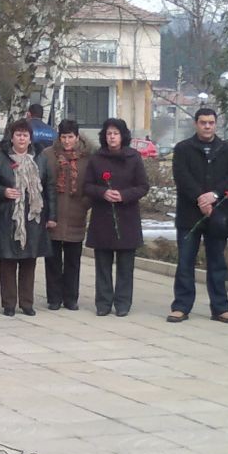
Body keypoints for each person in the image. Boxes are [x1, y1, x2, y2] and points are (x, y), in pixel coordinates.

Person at [167, 108, 228, 324]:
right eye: (203, 122)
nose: (207, 126)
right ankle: (181, 306)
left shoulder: (227, 149)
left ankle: (220, 308)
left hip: (218, 214)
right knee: (185, 262)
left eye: (211, 122)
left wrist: (214, 195)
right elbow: (181, 176)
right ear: (196, 124)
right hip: (189, 214)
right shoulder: (183, 148)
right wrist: (200, 198)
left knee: (217, 263)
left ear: (216, 124)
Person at [0, 119, 56, 316]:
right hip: (7, 216)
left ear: (30, 138)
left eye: (25, 135)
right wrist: (3, 191)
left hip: (33, 217)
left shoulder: (40, 159)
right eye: (18, 135)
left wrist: (52, 216)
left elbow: (49, 188)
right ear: (12, 137)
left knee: (29, 261)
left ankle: (26, 303)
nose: (22, 138)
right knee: (7, 260)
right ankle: (9, 303)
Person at [83, 118, 149, 317]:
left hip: (127, 216)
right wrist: (103, 192)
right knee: (102, 264)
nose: (112, 137)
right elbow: (87, 186)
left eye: (116, 133)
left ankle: (123, 303)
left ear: (123, 136)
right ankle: (103, 302)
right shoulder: (96, 158)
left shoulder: (133, 157)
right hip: (103, 217)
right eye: (109, 134)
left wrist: (124, 195)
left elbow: (143, 186)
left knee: (125, 265)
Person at [43, 119, 91, 311]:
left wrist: (85, 204)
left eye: (70, 137)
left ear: (77, 137)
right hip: (53, 215)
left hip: (76, 213)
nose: (67, 141)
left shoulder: (87, 157)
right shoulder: (48, 155)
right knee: (52, 260)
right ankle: (54, 298)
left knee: (73, 260)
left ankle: (71, 298)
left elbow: (91, 184)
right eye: (63, 137)